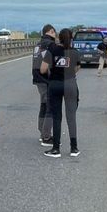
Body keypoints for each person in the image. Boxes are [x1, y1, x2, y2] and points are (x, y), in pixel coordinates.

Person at [40, 28, 81, 158]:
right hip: (70, 84)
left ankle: (56, 148)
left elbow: (42, 69)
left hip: (55, 84)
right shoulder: (74, 52)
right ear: (71, 38)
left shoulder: (52, 50)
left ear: (59, 38)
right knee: (71, 117)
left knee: (57, 117)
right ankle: (74, 148)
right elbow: (77, 68)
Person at [32, 24, 57, 146]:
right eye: (54, 32)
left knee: (43, 105)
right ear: (51, 31)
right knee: (50, 108)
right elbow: (51, 63)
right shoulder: (50, 45)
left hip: (38, 78)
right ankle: (46, 137)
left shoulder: (38, 44)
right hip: (46, 79)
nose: (55, 35)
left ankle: (42, 132)